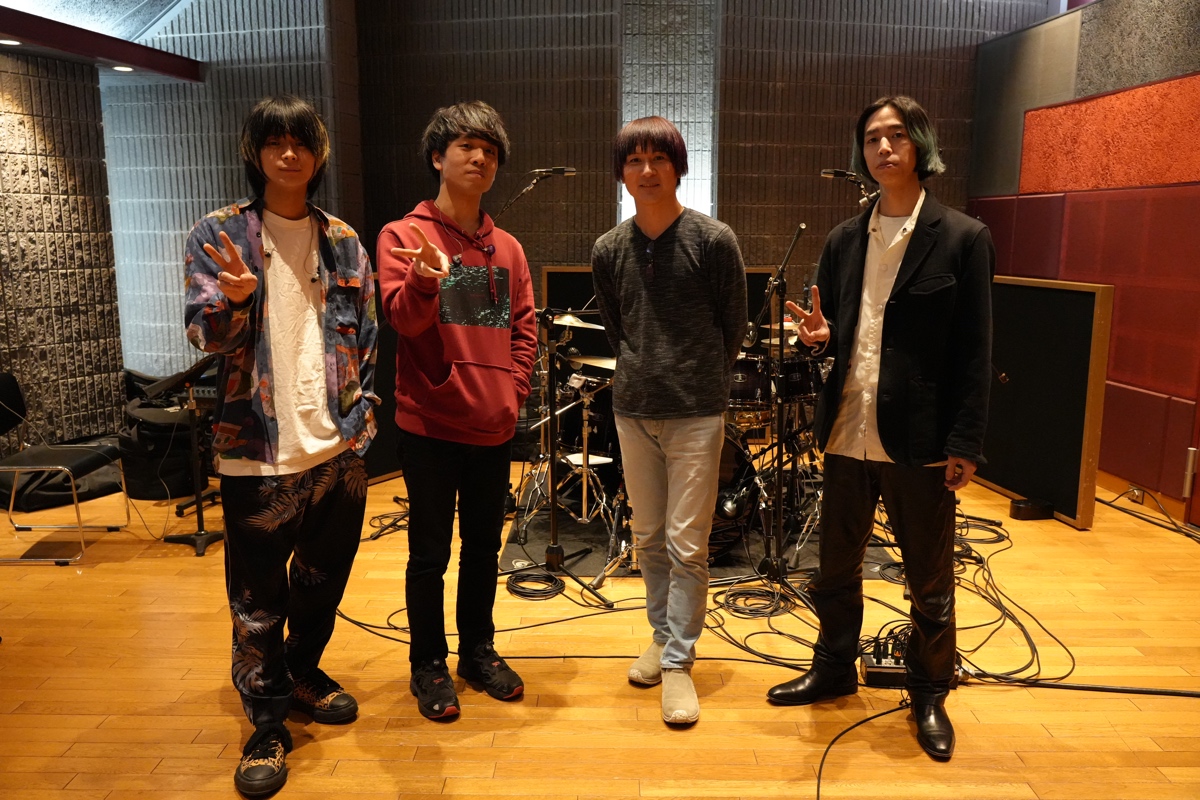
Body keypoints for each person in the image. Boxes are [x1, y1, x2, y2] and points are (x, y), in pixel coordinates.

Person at [766, 96, 994, 761]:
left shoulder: (963, 237)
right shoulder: (844, 238)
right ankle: (834, 667)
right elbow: (837, 333)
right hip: (846, 425)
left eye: (896, 136)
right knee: (835, 566)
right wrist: (817, 339)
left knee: (929, 577)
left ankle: (929, 690)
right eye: (871, 138)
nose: (883, 148)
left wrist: (966, 442)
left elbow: (975, 350)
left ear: (921, 145)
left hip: (921, 435)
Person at [183, 95, 379, 796]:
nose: (289, 153)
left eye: (301, 142)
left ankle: (299, 671)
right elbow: (204, 335)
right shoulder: (219, 234)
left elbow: (366, 338)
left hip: (337, 449)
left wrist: (362, 419)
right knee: (257, 598)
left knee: (323, 582)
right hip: (256, 448)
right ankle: (265, 721)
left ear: (319, 154)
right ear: (256, 152)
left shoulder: (344, 241)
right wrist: (236, 302)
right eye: (275, 142)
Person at [377, 101, 537, 720]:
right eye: (467, 146)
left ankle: (477, 651)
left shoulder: (508, 249)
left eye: (489, 151)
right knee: (429, 554)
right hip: (431, 424)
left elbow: (522, 330)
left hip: (492, 426)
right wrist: (424, 279)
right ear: (437, 157)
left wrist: (512, 392)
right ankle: (427, 663)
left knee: (482, 550)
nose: (480, 158)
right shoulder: (403, 236)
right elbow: (402, 320)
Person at [592, 116, 748, 725]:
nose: (647, 170)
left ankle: (680, 661)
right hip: (633, 410)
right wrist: (646, 371)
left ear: (678, 167)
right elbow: (617, 328)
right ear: (622, 172)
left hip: (696, 413)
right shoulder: (609, 249)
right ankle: (661, 638)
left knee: (688, 543)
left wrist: (697, 379)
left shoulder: (714, 240)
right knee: (649, 538)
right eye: (634, 160)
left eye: (659, 158)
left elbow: (733, 325)